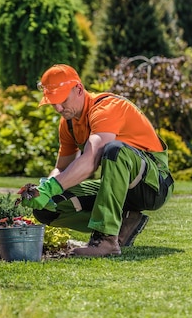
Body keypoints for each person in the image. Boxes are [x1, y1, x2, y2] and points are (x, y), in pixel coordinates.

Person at [18, 64, 174, 257]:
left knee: (113, 150)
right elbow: (61, 169)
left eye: (62, 100)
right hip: (119, 186)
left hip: (153, 185)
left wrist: (51, 187)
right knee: (48, 210)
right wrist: (42, 191)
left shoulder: (106, 108)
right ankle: (126, 222)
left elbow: (91, 160)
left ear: (79, 89)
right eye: (52, 102)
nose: (58, 108)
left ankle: (106, 239)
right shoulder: (68, 123)